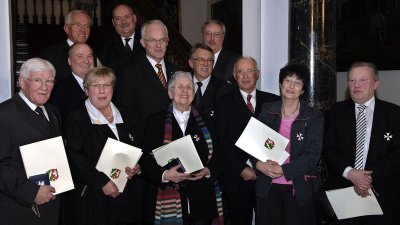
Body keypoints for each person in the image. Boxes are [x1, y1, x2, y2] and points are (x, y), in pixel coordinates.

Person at [142, 71, 224, 225]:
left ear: (194, 93)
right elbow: (146, 159)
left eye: (189, 87)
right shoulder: (154, 121)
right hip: (167, 194)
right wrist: (165, 175)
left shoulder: (208, 121)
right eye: (179, 87)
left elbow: (220, 154)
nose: (185, 91)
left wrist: (208, 170)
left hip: (202, 198)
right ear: (170, 92)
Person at [63, 66, 141, 225]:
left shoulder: (127, 114)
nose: (102, 91)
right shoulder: (77, 117)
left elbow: (137, 147)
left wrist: (137, 166)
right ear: (86, 90)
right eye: (96, 85)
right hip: (93, 199)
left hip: (126, 197)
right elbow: (74, 157)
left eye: (107, 85)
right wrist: (101, 183)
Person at [325, 62, 400, 225]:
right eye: (352, 81)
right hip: (345, 196)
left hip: (382, 198)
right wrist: (351, 173)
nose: (356, 85)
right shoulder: (336, 112)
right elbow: (329, 150)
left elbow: (397, 155)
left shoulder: (394, 114)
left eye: (363, 80)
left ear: (376, 84)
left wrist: (366, 179)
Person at [252, 63, 323, 225]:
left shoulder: (313, 116)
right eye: (288, 80)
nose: (291, 86)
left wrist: (284, 170)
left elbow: (313, 156)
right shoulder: (267, 110)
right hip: (267, 187)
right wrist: (258, 165)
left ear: (303, 89)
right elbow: (254, 143)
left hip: (298, 189)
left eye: (297, 82)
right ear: (280, 84)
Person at [215, 57, 279, 225]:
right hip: (236, 178)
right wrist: (241, 168)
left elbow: (277, 137)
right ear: (234, 76)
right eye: (240, 72)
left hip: (268, 178)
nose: (245, 76)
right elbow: (221, 141)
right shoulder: (222, 103)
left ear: (257, 74)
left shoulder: (273, 101)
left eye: (249, 71)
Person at [0, 58, 61, 225]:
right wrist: (31, 192)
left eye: (49, 81)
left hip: (51, 207)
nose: (44, 86)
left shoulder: (53, 111)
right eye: (37, 80)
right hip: (19, 211)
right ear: (22, 82)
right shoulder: (4, 114)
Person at [114, 19, 175, 145]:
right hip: (145, 144)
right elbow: (125, 114)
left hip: (174, 141)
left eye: (162, 40)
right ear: (143, 42)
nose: (159, 45)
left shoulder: (175, 71)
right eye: (153, 40)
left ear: (167, 42)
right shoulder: (129, 72)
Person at [41, 10, 92, 81]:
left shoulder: (94, 54)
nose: (83, 30)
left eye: (86, 26)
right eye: (77, 25)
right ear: (67, 29)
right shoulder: (51, 54)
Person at [50, 42, 94, 123]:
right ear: (69, 61)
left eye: (89, 56)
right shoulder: (58, 89)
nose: (86, 61)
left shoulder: (103, 85)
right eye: (80, 56)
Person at [97, 3, 144, 75]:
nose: (123, 22)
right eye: (118, 18)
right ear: (113, 22)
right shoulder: (104, 46)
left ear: (134, 18)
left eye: (127, 17)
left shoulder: (147, 40)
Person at [188, 43, 233, 118]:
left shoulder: (225, 89)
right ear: (191, 63)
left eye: (209, 60)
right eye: (201, 59)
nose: (205, 64)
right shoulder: (181, 85)